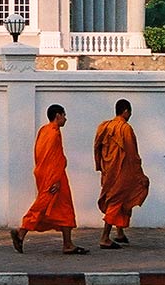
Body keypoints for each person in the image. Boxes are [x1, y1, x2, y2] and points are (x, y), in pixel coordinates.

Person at [10, 104, 87, 255]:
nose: (65, 119)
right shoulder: (53, 134)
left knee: (62, 209)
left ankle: (68, 244)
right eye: (64, 115)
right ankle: (21, 232)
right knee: (43, 206)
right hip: (54, 178)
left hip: (44, 174)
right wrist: (56, 180)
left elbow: (39, 154)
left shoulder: (43, 130)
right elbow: (55, 159)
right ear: (58, 116)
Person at [94, 98, 150, 249]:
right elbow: (132, 154)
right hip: (122, 171)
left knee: (123, 199)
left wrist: (100, 165)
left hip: (109, 170)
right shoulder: (125, 129)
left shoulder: (104, 127)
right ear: (126, 111)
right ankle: (104, 237)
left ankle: (119, 233)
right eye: (130, 112)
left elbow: (97, 148)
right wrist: (140, 175)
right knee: (116, 201)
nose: (130, 115)